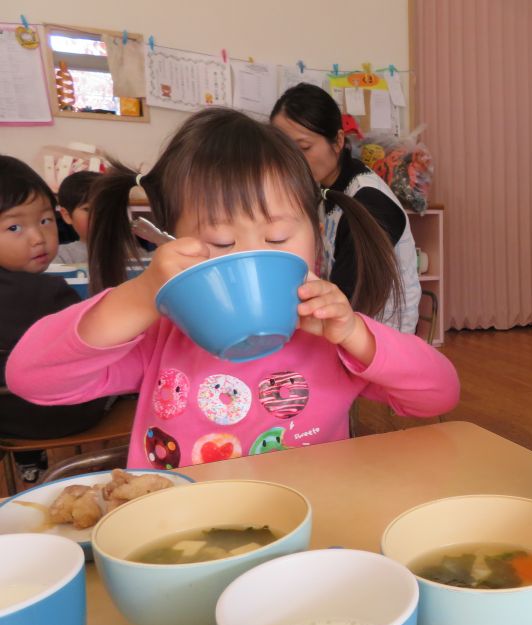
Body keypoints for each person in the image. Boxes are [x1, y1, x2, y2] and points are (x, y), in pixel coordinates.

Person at [6, 108, 459, 469]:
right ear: (170, 242)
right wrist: (143, 294)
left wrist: (356, 335)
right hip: (180, 544)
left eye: (278, 238)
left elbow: (438, 393)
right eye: (221, 241)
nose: (249, 256)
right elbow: (30, 378)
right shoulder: (162, 335)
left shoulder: (330, 339)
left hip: (307, 542)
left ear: (317, 239)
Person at [271, 83, 421, 334]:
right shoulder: (325, 189)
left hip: (379, 344)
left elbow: (349, 300)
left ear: (338, 140)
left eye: (304, 148)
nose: (293, 160)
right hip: (345, 332)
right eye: (285, 151)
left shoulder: (368, 203)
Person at [0, 156, 106, 482]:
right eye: (15, 227)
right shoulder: (51, 291)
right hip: (64, 415)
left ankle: (29, 462)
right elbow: (89, 352)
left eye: (45, 221)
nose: (37, 238)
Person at [54, 170, 99, 265]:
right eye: (87, 209)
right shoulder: (59, 255)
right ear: (67, 216)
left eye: (107, 208)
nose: (100, 215)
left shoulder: (134, 252)